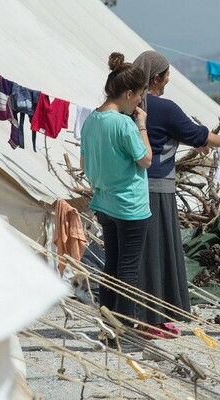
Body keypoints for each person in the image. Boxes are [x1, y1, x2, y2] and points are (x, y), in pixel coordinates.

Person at [132, 51, 220, 336]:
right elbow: (197, 134)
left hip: (130, 187)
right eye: (167, 74)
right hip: (156, 189)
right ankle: (152, 320)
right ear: (157, 77)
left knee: (139, 254)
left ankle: (139, 315)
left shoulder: (130, 105)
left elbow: (174, 133)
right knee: (158, 253)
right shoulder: (163, 107)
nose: (169, 79)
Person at [80, 53, 151, 333]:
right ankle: (125, 328)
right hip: (130, 205)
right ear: (129, 93)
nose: (139, 103)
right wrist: (141, 124)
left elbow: (84, 164)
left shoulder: (91, 120)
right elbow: (145, 159)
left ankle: (107, 327)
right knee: (129, 271)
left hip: (104, 202)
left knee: (111, 266)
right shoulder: (123, 124)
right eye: (139, 97)